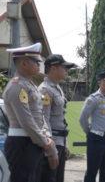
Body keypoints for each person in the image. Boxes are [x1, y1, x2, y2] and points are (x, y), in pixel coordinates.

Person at [2, 43, 59, 182]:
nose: (39, 65)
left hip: (32, 142)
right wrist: (46, 143)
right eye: (35, 62)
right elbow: (26, 121)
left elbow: (39, 115)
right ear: (24, 63)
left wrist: (46, 137)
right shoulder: (17, 86)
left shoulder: (29, 84)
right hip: (22, 143)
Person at [37, 54, 76, 182]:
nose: (67, 71)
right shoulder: (45, 89)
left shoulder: (57, 87)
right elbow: (44, 119)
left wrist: (66, 144)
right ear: (53, 68)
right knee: (49, 178)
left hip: (60, 141)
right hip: (51, 143)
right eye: (64, 68)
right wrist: (51, 147)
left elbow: (61, 119)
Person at [79, 71, 105, 182]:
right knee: (92, 172)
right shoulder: (93, 98)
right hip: (97, 139)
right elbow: (82, 118)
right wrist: (90, 133)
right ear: (99, 82)